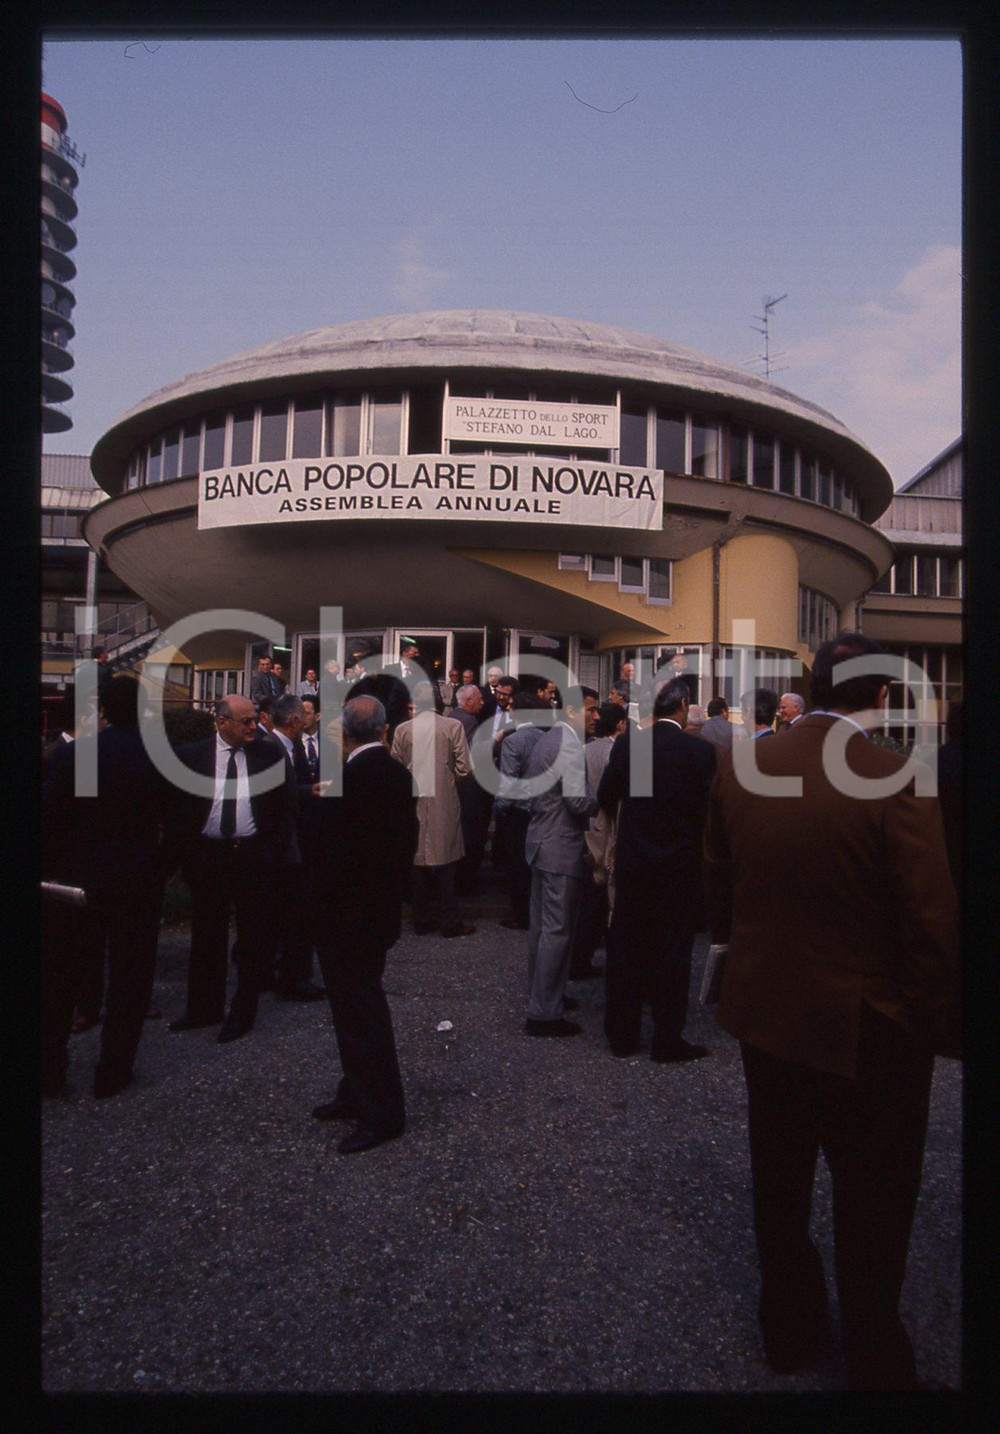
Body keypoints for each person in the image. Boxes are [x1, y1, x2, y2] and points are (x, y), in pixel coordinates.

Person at [703, 631, 960, 1390]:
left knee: (779, 1181)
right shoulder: (894, 777)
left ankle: (788, 1329)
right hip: (869, 1023)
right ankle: (876, 1351)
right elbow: (931, 924)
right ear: (881, 696)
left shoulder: (741, 767)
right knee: (875, 1198)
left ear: (814, 689)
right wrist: (934, 1021)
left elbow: (718, 886)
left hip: (766, 1010)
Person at [42, 674, 172, 1099]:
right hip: (137, 881)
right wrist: (160, 868)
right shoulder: (158, 759)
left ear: (103, 711)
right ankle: (113, 1071)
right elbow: (176, 824)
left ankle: (51, 1071)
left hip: (79, 882)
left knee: (62, 977)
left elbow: (51, 824)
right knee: (130, 978)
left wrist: (56, 870)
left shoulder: (71, 756)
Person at [312, 696, 419, 1154]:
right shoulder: (395, 774)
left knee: (361, 1015)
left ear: (345, 734)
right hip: (374, 914)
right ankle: (355, 1090)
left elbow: (336, 856)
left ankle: (382, 1113)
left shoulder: (351, 780)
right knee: (355, 1012)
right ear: (385, 730)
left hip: (348, 919)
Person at [597, 677, 716, 1060]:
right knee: (673, 950)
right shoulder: (698, 752)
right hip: (679, 863)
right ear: (682, 707)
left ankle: (622, 1034)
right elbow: (708, 810)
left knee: (627, 946)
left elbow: (605, 795)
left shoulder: (631, 744)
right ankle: (667, 1038)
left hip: (636, 859)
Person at [168, 693, 297, 1042]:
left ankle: (244, 1011)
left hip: (253, 857)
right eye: (247, 721)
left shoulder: (269, 753)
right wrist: (187, 854)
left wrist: (271, 848)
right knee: (207, 935)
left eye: (255, 719)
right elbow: (177, 810)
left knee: (253, 936)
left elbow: (286, 806)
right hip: (209, 857)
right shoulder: (191, 756)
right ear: (222, 722)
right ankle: (203, 1009)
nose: (255, 726)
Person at [522, 686, 599, 1037]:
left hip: (540, 842)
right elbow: (578, 804)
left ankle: (544, 997)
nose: (596, 716)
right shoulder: (567, 744)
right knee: (557, 930)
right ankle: (543, 1013)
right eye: (591, 709)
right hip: (560, 847)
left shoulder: (546, 739)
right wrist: (607, 794)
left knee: (542, 929)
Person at [390, 681, 475, 938]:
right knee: (447, 862)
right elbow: (465, 768)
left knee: (417, 862)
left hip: (413, 799)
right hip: (444, 799)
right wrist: (449, 783)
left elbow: (395, 767)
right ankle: (450, 921)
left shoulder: (402, 730)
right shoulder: (453, 726)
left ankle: (421, 919)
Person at [267, 693, 326, 1001]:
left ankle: (284, 972)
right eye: (302, 716)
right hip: (283, 848)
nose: (306, 720)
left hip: (296, 843)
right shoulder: (272, 749)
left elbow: (290, 790)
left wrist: (308, 790)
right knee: (294, 913)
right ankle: (292, 978)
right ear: (293, 721)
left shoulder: (291, 748)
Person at [494, 691, 550, 930]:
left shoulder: (512, 741)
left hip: (518, 811)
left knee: (517, 866)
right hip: (542, 807)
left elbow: (509, 782)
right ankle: (536, 912)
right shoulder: (545, 737)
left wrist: (500, 808)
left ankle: (520, 915)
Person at [452, 683, 492, 895]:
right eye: (479, 699)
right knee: (471, 837)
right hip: (469, 791)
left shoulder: (451, 717)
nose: (483, 703)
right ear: (468, 702)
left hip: (456, 790)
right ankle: (466, 884)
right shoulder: (468, 722)